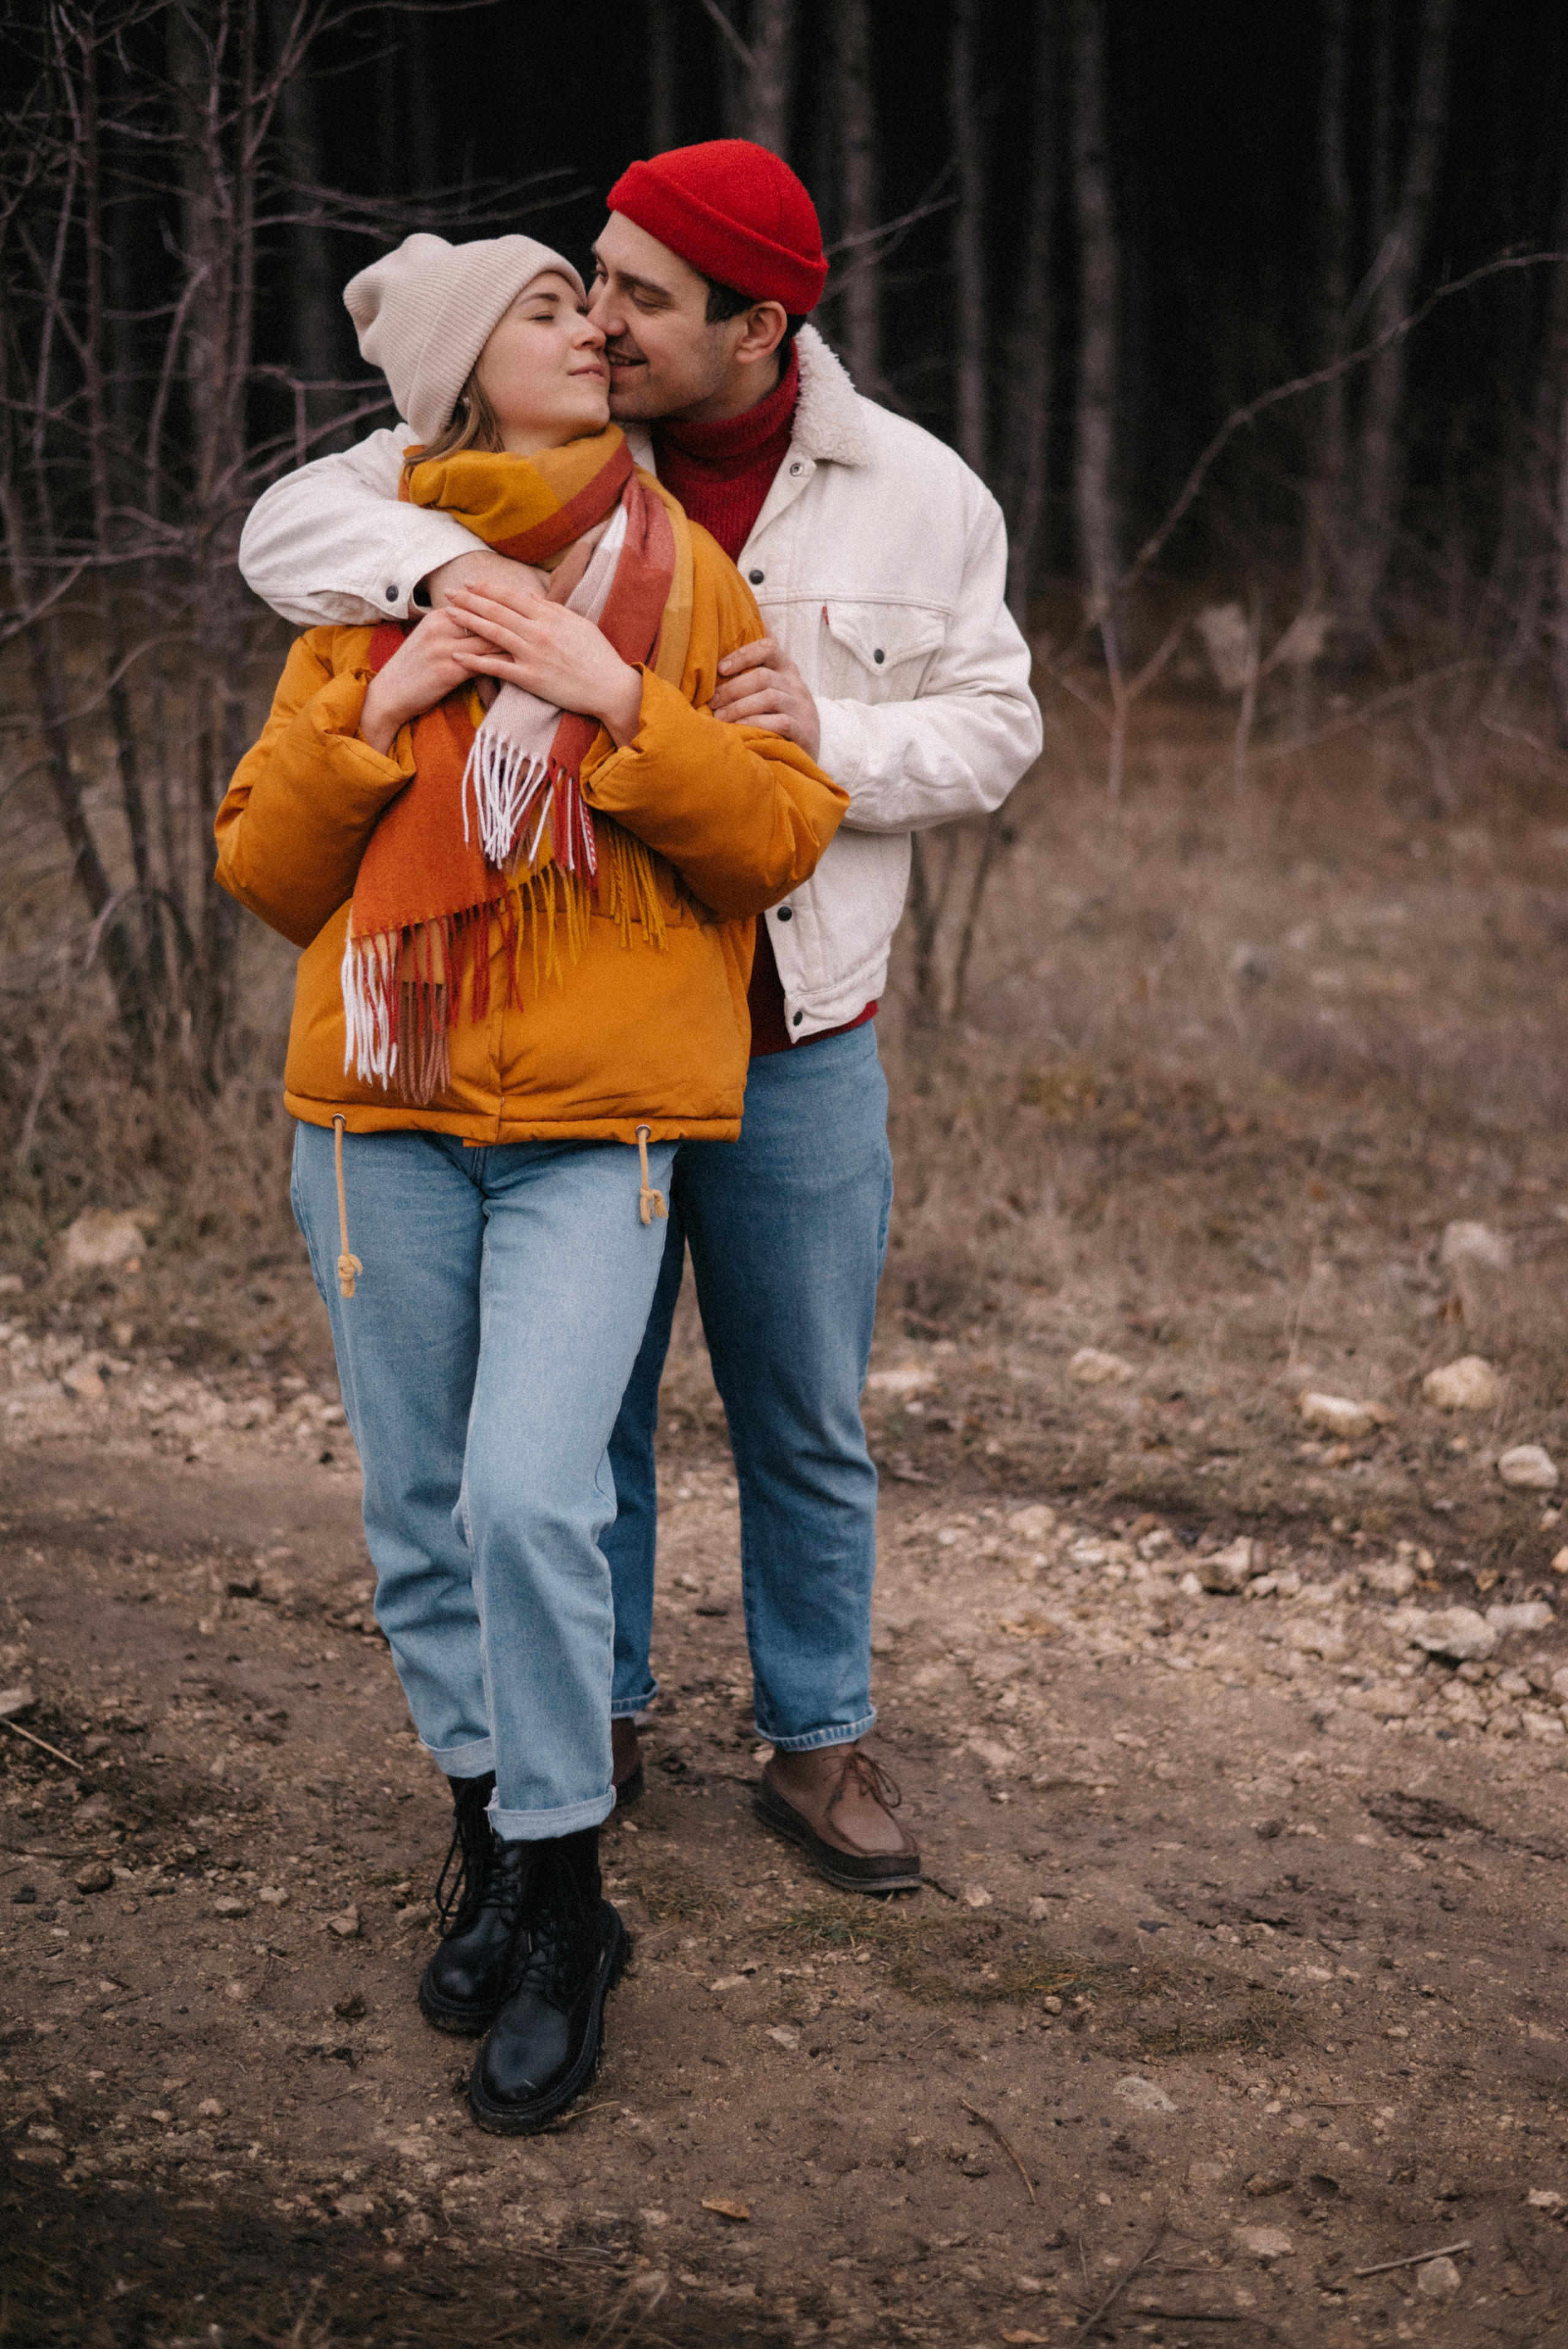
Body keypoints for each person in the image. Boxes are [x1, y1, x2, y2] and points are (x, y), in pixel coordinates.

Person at [238, 143, 1043, 1897]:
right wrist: (451, 575)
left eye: (639, 296)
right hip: (581, 1027)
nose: (599, 318)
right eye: (588, 281)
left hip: (797, 1019)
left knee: (800, 1407)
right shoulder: (551, 444)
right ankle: (583, 1723)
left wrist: (825, 732)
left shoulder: (918, 493)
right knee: (576, 1413)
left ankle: (817, 1736)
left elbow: (998, 725)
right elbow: (294, 527)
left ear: (759, 329)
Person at [217, 229, 846, 2132]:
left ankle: (569, 1896)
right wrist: (381, 709)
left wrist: (620, 701)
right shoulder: (372, 578)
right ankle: (494, 1843)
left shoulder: (687, 575)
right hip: (380, 1113)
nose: (593, 324)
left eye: (595, 300)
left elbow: (779, 839)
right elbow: (267, 870)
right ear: (460, 374)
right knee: (421, 1512)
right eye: (548, 309)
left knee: (528, 1496)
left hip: (599, 1125)